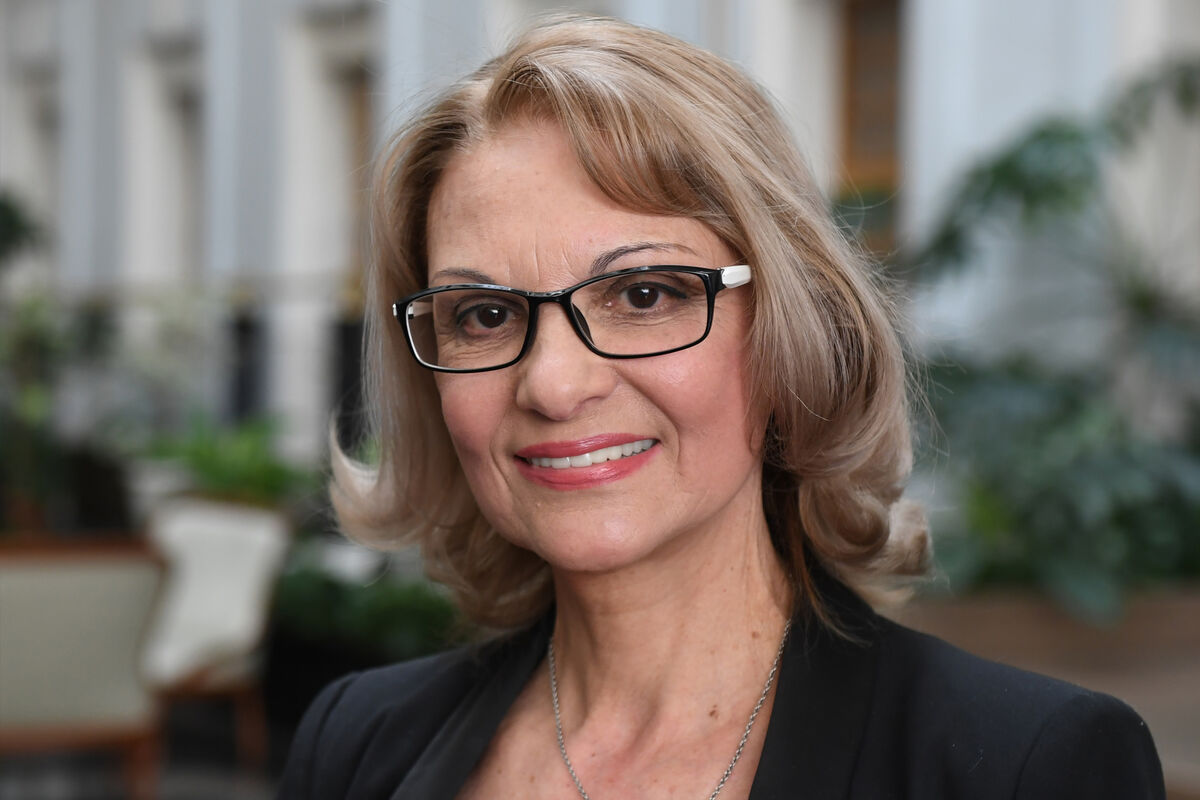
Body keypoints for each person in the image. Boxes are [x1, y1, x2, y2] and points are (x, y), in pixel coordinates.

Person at [278, 15, 1164, 800]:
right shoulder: (354, 745)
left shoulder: (1026, 768)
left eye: (644, 294)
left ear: (790, 329)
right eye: (483, 315)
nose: (552, 384)